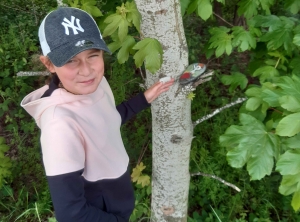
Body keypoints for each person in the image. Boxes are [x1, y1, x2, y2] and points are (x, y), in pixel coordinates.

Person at [21, 7, 174, 222]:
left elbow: (105, 121)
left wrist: (144, 99)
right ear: (49, 64)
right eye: (71, 60)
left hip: (116, 194)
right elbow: (72, 214)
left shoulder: (96, 84)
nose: (86, 71)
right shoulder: (60, 125)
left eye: (93, 55)